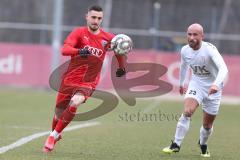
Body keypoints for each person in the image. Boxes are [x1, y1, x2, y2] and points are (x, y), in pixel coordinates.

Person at [43, 5, 127, 153]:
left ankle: (53, 135)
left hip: (89, 81)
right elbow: (65, 50)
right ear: (87, 17)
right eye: (93, 17)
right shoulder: (78, 33)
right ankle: (55, 135)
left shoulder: (108, 38)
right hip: (69, 79)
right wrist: (79, 51)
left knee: (75, 102)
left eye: (99, 18)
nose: (96, 21)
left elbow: (119, 52)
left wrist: (121, 67)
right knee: (58, 113)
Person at [162, 23, 228, 157]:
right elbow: (184, 66)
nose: (191, 37)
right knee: (187, 111)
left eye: (195, 34)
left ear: (202, 36)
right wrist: (181, 83)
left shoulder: (209, 49)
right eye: (189, 34)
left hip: (213, 89)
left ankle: (203, 144)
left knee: (207, 125)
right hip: (196, 84)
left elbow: (224, 69)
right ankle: (176, 144)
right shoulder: (185, 50)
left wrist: (215, 84)